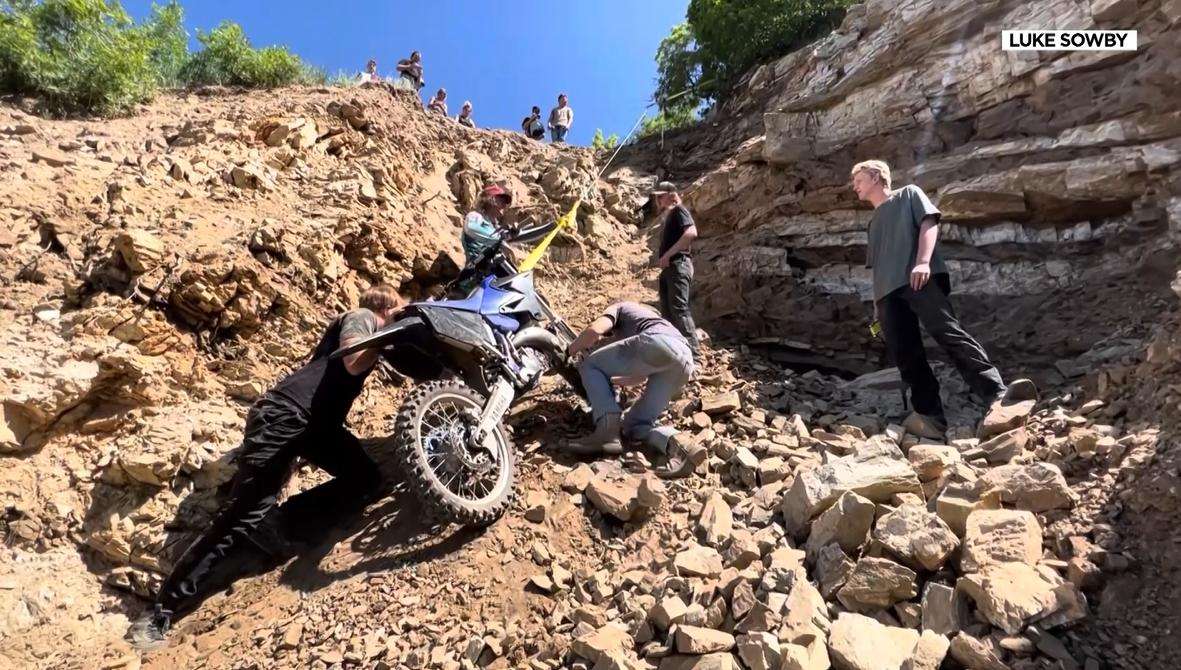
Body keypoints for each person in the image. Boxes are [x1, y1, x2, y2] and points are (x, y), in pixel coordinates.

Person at [126, 285, 405, 650]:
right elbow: (352, 357)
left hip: (318, 426)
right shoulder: (363, 317)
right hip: (285, 414)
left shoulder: (375, 333)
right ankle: (159, 613)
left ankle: (281, 525)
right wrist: (392, 330)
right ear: (386, 307)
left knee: (366, 477)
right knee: (241, 513)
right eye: (399, 310)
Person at [852, 159, 1035, 438]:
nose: (855, 186)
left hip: (918, 278)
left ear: (876, 177)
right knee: (906, 354)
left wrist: (923, 262)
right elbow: (878, 267)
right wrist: (878, 308)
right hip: (887, 294)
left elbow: (929, 224)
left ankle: (998, 395)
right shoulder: (874, 222)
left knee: (948, 333)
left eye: (859, 179)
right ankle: (929, 416)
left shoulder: (909, 194)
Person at [566, 302, 704, 478]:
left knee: (590, 365)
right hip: (684, 361)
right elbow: (639, 377)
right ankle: (682, 447)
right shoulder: (654, 321)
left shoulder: (620, 307)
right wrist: (606, 380)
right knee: (636, 425)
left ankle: (607, 431)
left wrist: (569, 351)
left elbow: (595, 330)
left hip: (657, 341)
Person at [650, 181, 700, 357]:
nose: (658, 200)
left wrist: (669, 254)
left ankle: (694, 355)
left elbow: (691, 233)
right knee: (668, 311)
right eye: (657, 197)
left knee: (678, 308)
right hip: (671, 267)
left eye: (661, 196)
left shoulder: (679, 210)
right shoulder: (672, 214)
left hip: (679, 264)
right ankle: (674, 353)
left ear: (672, 194)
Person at [462, 184, 514, 264]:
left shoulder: (494, 226)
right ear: (492, 199)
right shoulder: (475, 216)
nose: (504, 206)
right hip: (474, 270)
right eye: (502, 201)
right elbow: (471, 228)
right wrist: (498, 240)